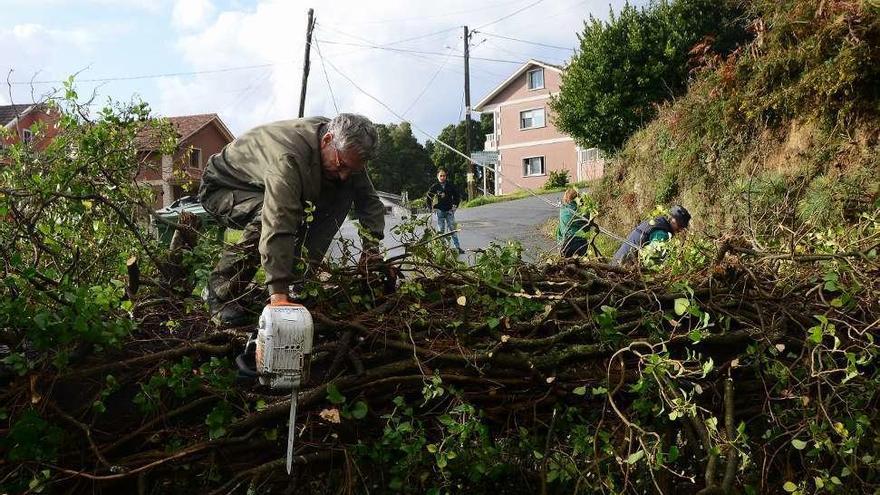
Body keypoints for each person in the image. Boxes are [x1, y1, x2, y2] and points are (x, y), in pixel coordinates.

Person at [198, 114, 386, 325]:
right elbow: (278, 220)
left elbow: (369, 202)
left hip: (264, 186)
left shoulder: (345, 150)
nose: (344, 174)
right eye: (341, 165)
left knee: (343, 191)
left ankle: (299, 283)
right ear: (327, 141)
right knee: (266, 215)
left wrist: (371, 250)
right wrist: (278, 294)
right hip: (224, 187)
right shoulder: (289, 156)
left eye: (352, 169)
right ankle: (219, 293)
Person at [611, 205, 691, 265]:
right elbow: (653, 258)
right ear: (672, 220)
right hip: (623, 266)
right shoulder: (662, 234)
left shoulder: (656, 222)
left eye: (682, 227)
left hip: (617, 261)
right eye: (680, 225)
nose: (680, 230)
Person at [426, 169, 465, 254]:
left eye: (444, 176)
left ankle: (457, 248)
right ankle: (442, 249)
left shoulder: (450, 185)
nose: (442, 177)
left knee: (453, 230)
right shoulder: (435, 187)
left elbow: (456, 196)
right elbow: (428, 197)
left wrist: (455, 206)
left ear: (446, 176)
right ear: (437, 177)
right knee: (441, 231)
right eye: (441, 176)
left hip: (449, 211)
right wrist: (431, 208)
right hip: (439, 211)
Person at [556, 188, 592, 257]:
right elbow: (588, 227)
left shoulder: (563, 210)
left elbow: (560, 230)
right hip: (582, 242)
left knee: (566, 265)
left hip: (567, 241)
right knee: (582, 264)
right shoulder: (584, 211)